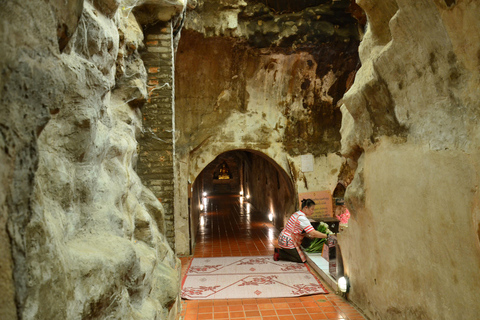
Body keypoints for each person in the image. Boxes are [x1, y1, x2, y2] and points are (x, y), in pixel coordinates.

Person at [274, 199, 328, 263]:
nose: (313, 212)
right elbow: (313, 233)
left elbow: (297, 230)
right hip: (288, 241)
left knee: (299, 254)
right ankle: (280, 253)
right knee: (300, 259)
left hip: (283, 238)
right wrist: (326, 236)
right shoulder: (302, 218)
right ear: (306, 208)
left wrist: (307, 235)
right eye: (312, 209)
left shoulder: (297, 213)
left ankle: (281, 251)